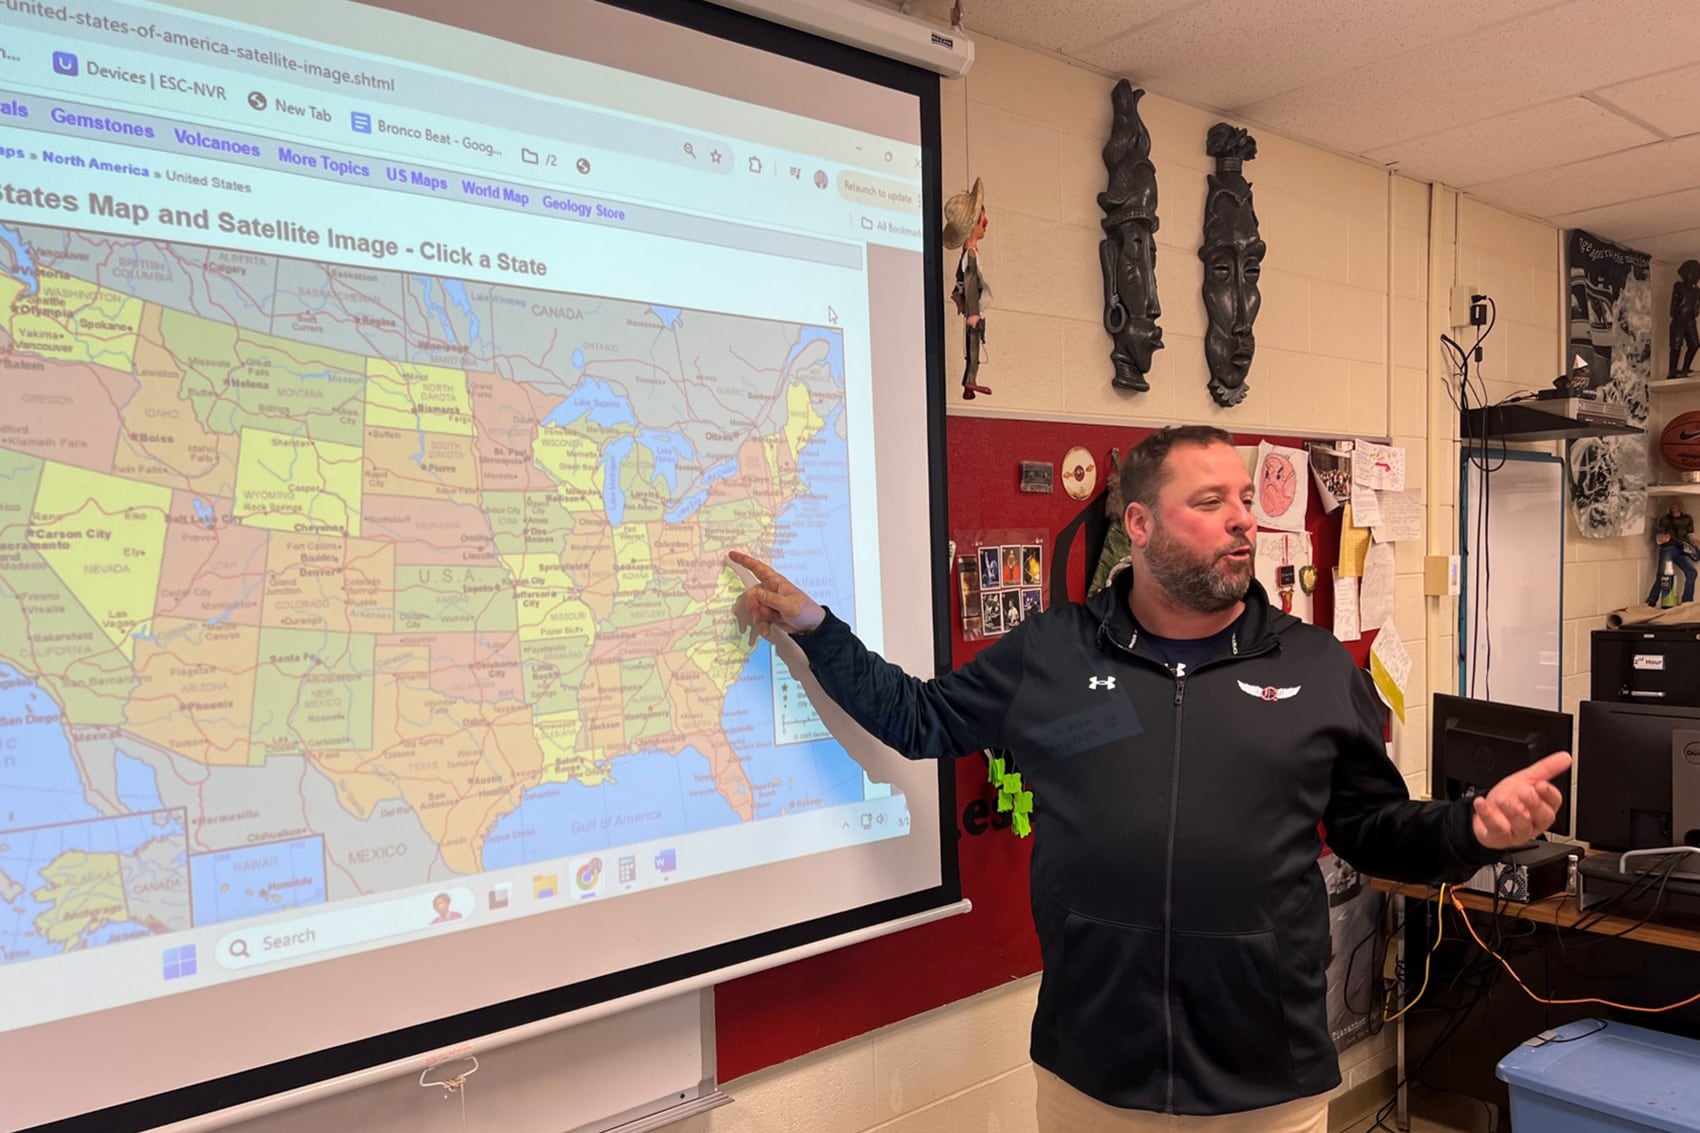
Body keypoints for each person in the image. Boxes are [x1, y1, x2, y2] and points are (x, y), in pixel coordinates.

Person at [730, 425, 1568, 1133]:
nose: (1242, 521)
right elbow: (919, 717)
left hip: (1264, 1081)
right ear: (1138, 523)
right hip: (1093, 1073)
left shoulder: (1312, 667)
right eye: (1210, 503)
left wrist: (1471, 829)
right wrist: (816, 627)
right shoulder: (1054, 651)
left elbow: (1372, 826)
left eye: (1245, 499)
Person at [944, 177, 993, 400]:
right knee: (972, 345)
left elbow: (961, 278)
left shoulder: (969, 254)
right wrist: (972, 311)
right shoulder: (970, 255)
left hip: (971, 307)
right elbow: (970, 280)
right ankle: (971, 380)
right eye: (983, 217)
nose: (986, 221)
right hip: (972, 310)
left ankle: (970, 381)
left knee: (972, 343)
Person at [1647, 499, 1700, 607]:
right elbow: (1659, 536)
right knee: (1662, 574)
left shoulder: (1687, 518)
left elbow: (1690, 535)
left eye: (1676, 505)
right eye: (1672, 506)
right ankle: (1651, 599)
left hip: (1682, 548)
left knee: (1692, 573)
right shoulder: (1665, 519)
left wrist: (1695, 542)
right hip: (1669, 547)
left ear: (1680, 506)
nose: (1674, 507)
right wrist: (1662, 539)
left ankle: (1687, 600)